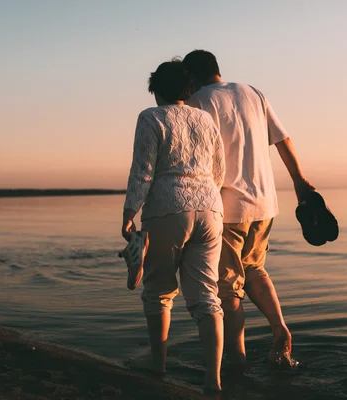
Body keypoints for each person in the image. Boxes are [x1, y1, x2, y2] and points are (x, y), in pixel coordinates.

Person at [183, 50, 315, 369]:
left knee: (228, 289)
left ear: (190, 78)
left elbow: (196, 162)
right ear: (217, 69)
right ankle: (279, 328)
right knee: (254, 269)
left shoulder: (197, 102)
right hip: (265, 203)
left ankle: (237, 360)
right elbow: (283, 140)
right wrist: (299, 182)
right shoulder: (252, 92)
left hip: (227, 208)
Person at [121, 59, 226, 392]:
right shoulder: (206, 119)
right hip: (210, 207)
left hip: (168, 208)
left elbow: (143, 170)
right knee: (208, 298)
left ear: (156, 90)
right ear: (188, 90)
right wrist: (206, 195)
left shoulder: (151, 117)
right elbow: (219, 168)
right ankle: (214, 380)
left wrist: (129, 211)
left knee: (159, 292)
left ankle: (159, 366)